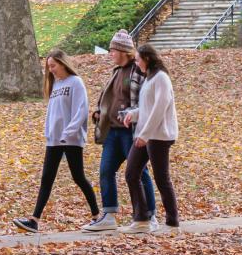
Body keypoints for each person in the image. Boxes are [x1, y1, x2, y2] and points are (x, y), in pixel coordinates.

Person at [12, 49, 100, 233]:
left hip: (71, 139)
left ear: (62, 63)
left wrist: (70, 132)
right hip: (54, 140)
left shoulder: (76, 82)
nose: (50, 69)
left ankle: (96, 216)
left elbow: (81, 110)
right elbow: (52, 113)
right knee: (46, 178)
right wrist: (49, 133)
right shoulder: (56, 85)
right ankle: (34, 220)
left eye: (53, 65)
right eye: (48, 66)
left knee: (78, 177)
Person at [82, 29, 156, 232]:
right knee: (106, 171)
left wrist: (139, 124)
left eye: (113, 50)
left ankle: (150, 215)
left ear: (123, 51)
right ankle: (109, 215)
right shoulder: (116, 72)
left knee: (140, 173)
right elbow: (109, 100)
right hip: (113, 132)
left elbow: (146, 101)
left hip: (130, 132)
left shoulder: (137, 71)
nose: (110, 53)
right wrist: (100, 113)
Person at [118, 44, 179, 234]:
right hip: (147, 134)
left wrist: (144, 134)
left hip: (158, 136)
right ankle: (142, 219)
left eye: (137, 60)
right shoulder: (150, 78)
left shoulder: (161, 78)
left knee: (162, 178)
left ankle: (172, 223)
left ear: (148, 59)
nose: (136, 64)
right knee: (131, 173)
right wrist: (133, 115)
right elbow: (147, 108)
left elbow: (160, 108)